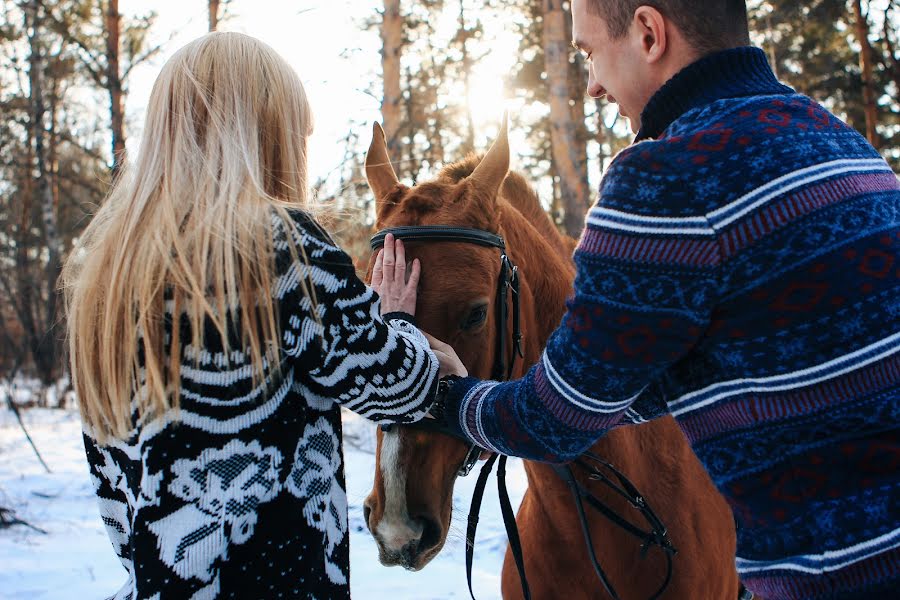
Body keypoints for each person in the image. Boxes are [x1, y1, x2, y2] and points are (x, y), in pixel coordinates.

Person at [426, 1, 900, 598]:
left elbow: (556, 421)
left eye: (590, 52)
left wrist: (445, 394)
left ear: (649, 34)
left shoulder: (666, 173)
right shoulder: (839, 140)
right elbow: (759, 357)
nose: (593, 83)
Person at [61, 32, 440, 599]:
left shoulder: (106, 278)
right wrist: (398, 324)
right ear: (264, 134)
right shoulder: (282, 245)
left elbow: (118, 498)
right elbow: (400, 390)